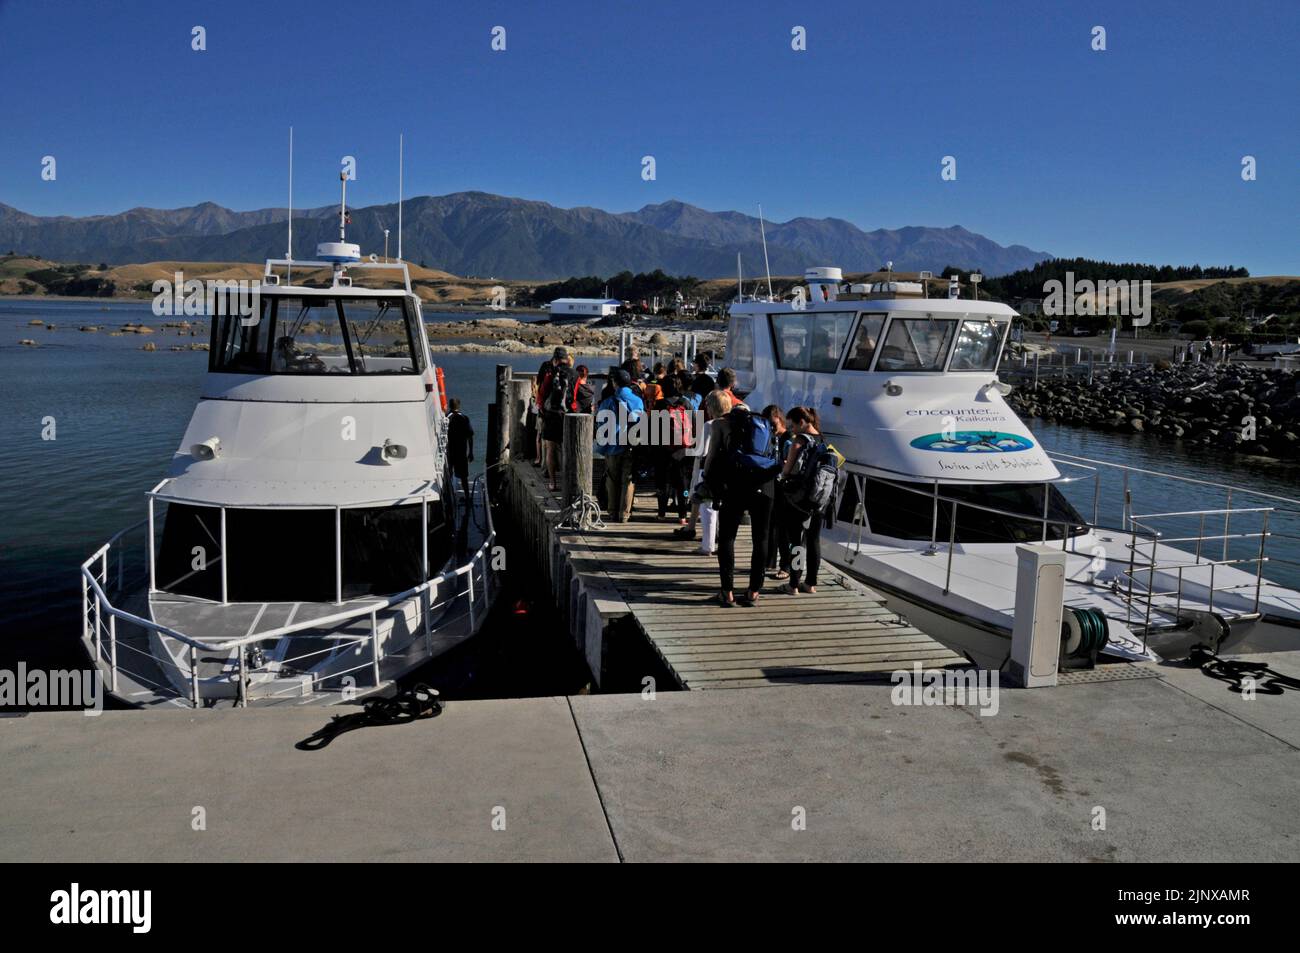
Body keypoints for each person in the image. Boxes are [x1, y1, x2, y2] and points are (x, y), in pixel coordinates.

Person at [705, 394, 780, 606]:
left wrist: (707, 479)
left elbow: (712, 456)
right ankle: (753, 592)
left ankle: (727, 593)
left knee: (727, 537)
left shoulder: (719, 424)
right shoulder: (763, 424)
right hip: (764, 484)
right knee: (761, 539)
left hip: (736, 483)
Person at [779, 406, 825, 594]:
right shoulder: (823, 440)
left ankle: (793, 584)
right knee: (814, 540)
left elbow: (787, 470)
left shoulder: (799, 442)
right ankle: (810, 583)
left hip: (800, 500)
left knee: (796, 540)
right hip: (820, 499)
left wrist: (783, 471)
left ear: (802, 422)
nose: (792, 430)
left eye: (793, 425)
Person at [595, 368, 644, 522]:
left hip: (612, 446)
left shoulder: (608, 401)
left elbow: (600, 423)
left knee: (612, 478)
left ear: (615, 383)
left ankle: (612, 511)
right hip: (631, 445)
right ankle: (624, 514)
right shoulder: (637, 401)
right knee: (628, 480)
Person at [761, 405, 792, 579]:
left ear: (779, 418)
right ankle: (769, 561)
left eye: (773, 423)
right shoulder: (771, 437)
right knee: (770, 525)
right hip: (773, 485)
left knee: (783, 530)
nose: (771, 428)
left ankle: (786, 566)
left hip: (785, 488)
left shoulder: (789, 438)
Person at [538, 346, 573, 491]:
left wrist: (541, 409)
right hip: (569, 415)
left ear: (555, 359)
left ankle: (553, 482)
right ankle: (569, 480)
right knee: (569, 449)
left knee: (551, 449)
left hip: (552, 415)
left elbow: (542, 392)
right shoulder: (574, 373)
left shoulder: (551, 372)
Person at [445, 397, 474, 501]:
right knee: (463, 477)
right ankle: (467, 496)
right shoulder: (464, 418)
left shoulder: (446, 418)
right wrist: (470, 452)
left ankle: (448, 497)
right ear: (459, 405)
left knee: (449, 474)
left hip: (450, 452)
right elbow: (470, 436)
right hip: (461, 452)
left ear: (449, 406)